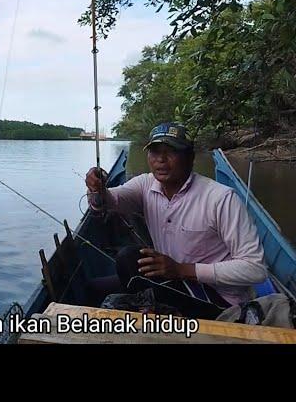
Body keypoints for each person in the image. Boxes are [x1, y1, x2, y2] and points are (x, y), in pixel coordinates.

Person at [84, 122, 268, 319]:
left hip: (219, 300)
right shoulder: (146, 185)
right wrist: (97, 190)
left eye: (171, 151)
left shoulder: (220, 198)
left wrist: (183, 270)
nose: (161, 160)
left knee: (127, 260)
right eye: (155, 152)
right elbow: (109, 201)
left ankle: (163, 310)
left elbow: (255, 269)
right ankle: (158, 306)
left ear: (190, 157)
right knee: (97, 283)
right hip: (173, 278)